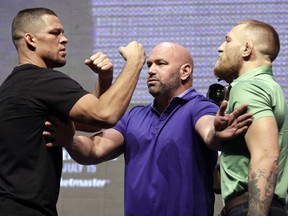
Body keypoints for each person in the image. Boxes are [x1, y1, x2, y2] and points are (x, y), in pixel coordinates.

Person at [45, 42, 253, 216]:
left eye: (160, 64)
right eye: (149, 64)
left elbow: (209, 131)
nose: (151, 70)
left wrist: (216, 133)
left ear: (185, 71)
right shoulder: (134, 116)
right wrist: (70, 140)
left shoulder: (199, 106)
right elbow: (94, 149)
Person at [0, 7, 145, 216]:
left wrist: (104, 79)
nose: (64, 39)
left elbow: (92, 123)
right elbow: (106, 115)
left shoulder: (15, 86)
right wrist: (135, 63)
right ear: (31, 40)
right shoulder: (43, 81)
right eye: (55, 33)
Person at [213, 20, 288, 215]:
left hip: (252, 208)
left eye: (227, 41)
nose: (221, 48)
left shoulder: (248, 87)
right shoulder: (268, 86)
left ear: (246, 49)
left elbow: (266, 155)